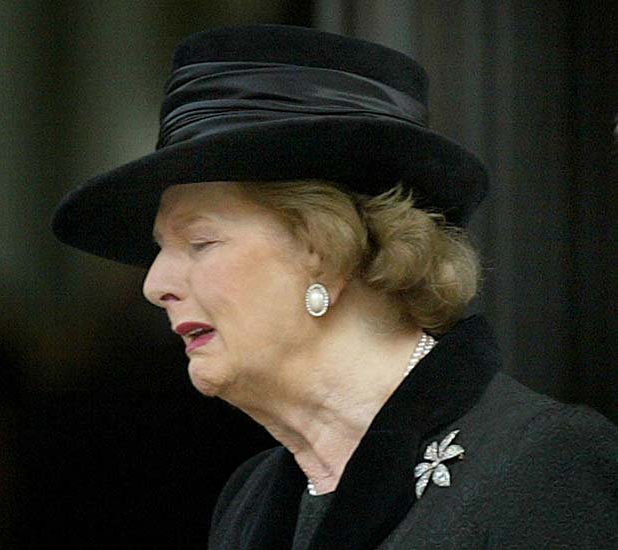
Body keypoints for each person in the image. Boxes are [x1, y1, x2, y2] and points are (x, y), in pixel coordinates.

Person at [52, 25, 618, 549]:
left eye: (201, 242)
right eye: (160, 250)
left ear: (326, 251)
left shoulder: (544, 461)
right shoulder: (252, 500)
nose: (155, 285)